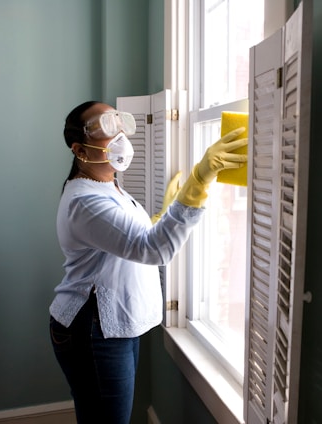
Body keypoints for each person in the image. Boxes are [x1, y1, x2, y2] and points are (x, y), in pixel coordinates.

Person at [49, 100, 247, 424]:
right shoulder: (85, 200)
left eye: (120, 121)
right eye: (106, 127)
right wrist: (198, 182)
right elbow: (153, 250)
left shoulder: (108, 185)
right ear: (80, 150)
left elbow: (125, 238)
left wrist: (161, 216)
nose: (120, 134)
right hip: (92, 326)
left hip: (111, 325)